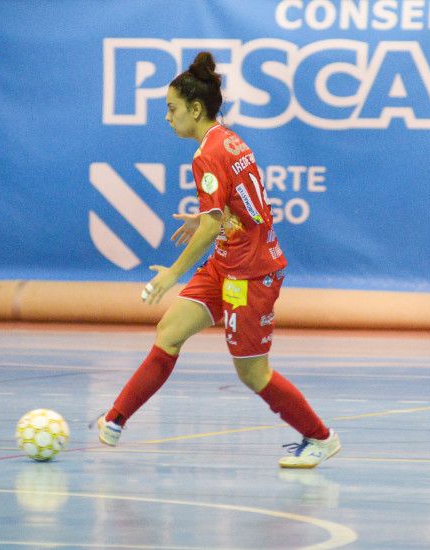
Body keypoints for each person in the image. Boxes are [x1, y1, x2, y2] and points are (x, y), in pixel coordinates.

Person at [93, 52, 340, 468]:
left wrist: (174, 271)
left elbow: (212, 226)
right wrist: (213, 218)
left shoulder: (206, 155)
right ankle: (114, 421)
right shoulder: (229, 139)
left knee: (253, 374)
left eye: (172, 109)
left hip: (251, 273)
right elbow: (238, 204)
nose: (167, 118)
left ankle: (320, 438)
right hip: (229, 261)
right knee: (169, 331)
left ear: (195, 108)